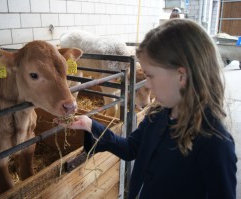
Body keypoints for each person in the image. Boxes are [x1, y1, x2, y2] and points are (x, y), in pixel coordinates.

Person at [55, 19, 237, 199]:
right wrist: (91, 125)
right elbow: (130, 149)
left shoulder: (215, 144)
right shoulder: (157, 115)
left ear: (181, 76)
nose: (147, 82)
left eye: (150, 76)